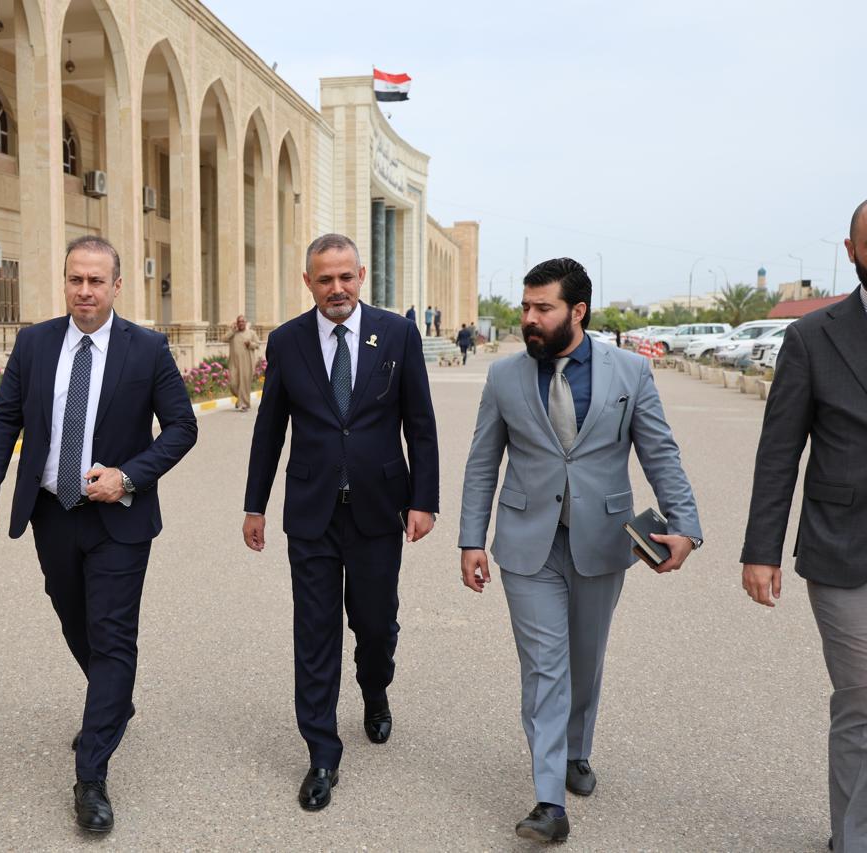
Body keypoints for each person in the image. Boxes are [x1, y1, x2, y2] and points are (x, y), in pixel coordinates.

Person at [458, 257, 701, 844]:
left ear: (578, 311)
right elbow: (483, 462)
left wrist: (687, 526)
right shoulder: (505, 377)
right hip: (528, 544)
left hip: (603, 539)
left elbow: (660, 453)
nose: (529, 318)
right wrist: (471, 539)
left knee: (585, 659)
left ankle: (575, 751)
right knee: (545, 666)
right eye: (525, 307)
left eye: (543, 308)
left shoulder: (630, 373)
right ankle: (548, 802)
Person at [0, 235, 197, 835]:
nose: (85, 291)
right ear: (65, 282)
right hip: (53, 512)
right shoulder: (35, 343)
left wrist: (128, 476)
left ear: (117, 286)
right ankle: (113, 702)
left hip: (120, 517)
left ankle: (91, 775)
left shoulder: (146, 348)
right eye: (76, 280)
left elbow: (181, 427)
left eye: (97, 281)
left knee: (112, 634)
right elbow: (4, 419)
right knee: (75, 621)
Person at [242, 233, 439, 812]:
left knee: (375, 625)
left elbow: (420, 423)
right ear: (308, 282)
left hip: (379, 508)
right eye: (324, 279)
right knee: (315, 632)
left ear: (361, 277)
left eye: (345, 277)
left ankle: (374, 689)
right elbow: (269, 431)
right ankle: (322, 753)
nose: (337, 288)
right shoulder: (287, 341)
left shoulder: (397, 334)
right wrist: (255, 505)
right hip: (312, 513)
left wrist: (423, 500)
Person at [741, 200, 867, 853]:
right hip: (844, 549)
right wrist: (761, 550)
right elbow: (779, 451)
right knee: (863, 698)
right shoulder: (814, 337)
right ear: (851, 251)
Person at [224, 314, 261, 411]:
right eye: (239, 321)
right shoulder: (233, 333)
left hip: (247, 363)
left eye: (242, 321)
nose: (241, 323)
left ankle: (243, 404)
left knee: (244, 384)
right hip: (234, 363)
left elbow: (257, 344)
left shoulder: (251, 333)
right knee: (233, 384)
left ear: (245, 323)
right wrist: (232, 330)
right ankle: (241, 399)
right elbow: (224, 339)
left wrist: (250, 344)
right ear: (236, 323)